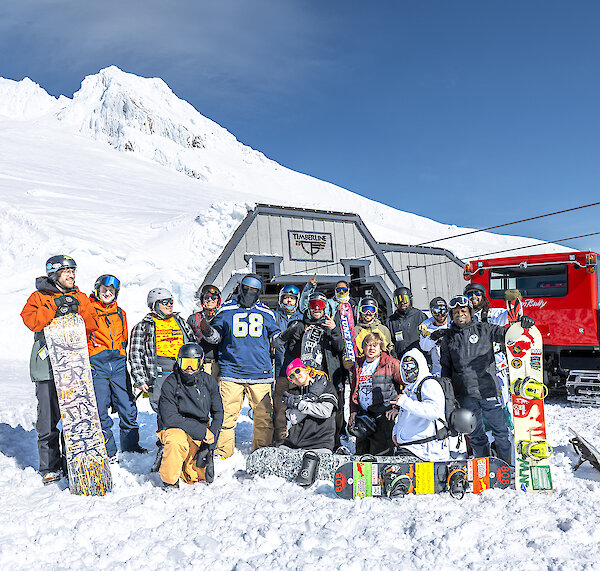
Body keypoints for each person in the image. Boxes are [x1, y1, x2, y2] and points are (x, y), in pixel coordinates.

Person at [20, 255, 99, 485]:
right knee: (48, 417)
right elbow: (32, 322)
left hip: (74, 367)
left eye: (73, 271)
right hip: (46, 367)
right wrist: (53, 307)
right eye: (67, 272)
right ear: (54, 274)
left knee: (76, 416)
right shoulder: (38, 297)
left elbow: (92, 324)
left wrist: (77, 310)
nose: (72, 275)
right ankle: (50, 466)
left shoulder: (81, 297)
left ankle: (74, 461)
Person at [439, 295, 535, 464]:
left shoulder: (485, 329)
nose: (459, 314)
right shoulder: (448, 338)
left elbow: (508, 335)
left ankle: (506, 465)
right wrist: (448, 395)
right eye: (455, 312)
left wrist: (522, 324)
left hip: (488, 389)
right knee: (475, 434)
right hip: (465, 393)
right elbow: (445, 367)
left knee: (501, 431)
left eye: (463, 310)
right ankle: (482, 468)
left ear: (469, 312)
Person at [201, 274, 281, 459]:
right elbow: (215, 338)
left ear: (259, 292)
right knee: (226, 417)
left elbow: (275, 337)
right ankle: (223, 454)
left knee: (263, 418)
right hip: (231, 373)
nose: (248, 292)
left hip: (260, 373)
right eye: (245, 288)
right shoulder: (226, 310)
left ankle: (262, 453)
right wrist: (205, 329)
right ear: (239, 288)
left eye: (253, 290)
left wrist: (282, 338)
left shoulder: (267, 312)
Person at [276, 291, 347, 449]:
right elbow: (293, 351)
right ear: (308, 307)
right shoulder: (302, 325)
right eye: (313, 305)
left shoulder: (330, 324)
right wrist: (299, 336)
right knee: (307, 407)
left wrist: (334, 330)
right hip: (307, 376)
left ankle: (334, 442)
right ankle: (306, 441)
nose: (316, 309)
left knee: (332, 408)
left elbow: (340, 347)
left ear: (325, 308)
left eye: (320, 305)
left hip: (327, 374)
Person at [88, 274, 146, 460]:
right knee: (100, 409)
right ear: (97, 290)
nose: (108, 293)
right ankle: (108, 451)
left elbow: (124, 339)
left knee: (128, 407)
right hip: (98, 365)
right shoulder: (87, 310)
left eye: (111, 291)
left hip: (119, 365)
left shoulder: (120, 313)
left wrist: (121, 356)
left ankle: (131, 446)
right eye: (104, 290)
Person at [158, 343, 224, 489]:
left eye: (193, 364)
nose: (189, 368)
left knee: (195, 477)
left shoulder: (208, 381)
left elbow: (218, 412)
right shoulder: (171, 383)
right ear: (178, 361)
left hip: (199, 429)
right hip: (175, 427)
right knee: (176, 442)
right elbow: (170, 418)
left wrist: (211, 442)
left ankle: (179, 462)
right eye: (185, 363)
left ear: (200, 363)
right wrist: (202, 431)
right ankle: (169, 481)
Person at [129, 287, 195, 415]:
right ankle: (166, 434)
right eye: (164, 302)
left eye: (170, 301)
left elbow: (192, 343)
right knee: (164, 409)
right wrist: (140, 379)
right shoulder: (143, 326)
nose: (169, 305)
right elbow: (135, 355)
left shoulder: (179, 321)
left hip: (183, 369)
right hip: (160, 372)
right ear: (154, 305)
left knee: (187, 407)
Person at [349, 333, 404, 456]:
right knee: (361, 454)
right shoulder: (358, 365)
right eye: (368, 345)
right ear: (363, 348)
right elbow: (353, 390)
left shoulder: (390, 363)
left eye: (375, 345)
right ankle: (362, 476)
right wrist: (353, 411)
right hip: (363, 416)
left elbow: (407, 385)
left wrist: (397, 408)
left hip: (383, 415)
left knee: (381, 455)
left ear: (381, 348)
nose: (371, 348)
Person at [391, 348, 451, 462]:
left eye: (411, 365)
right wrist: (396, 432)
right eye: (404, 367)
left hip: (425, 450)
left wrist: (405, 402)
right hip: (410, 447)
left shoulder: (429, 384)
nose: (408, 370)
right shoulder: (410, 387)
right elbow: (407, 415)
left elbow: (434, 411)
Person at [280, 358, 338, 452]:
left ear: (306, 370)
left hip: (320, 444)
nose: (296, 376)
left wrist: (300, 404)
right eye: (292, 376)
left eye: (298, 370)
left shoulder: (325, 385)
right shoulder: (292, 393)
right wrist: (309, 399)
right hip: (293, 444)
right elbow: (294, 419)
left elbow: (325, 412)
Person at [272, 285, 304, 445]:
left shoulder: (302, 317)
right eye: (286, 298)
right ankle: (280, 439)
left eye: (292, 298)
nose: (289, 301)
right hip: (280, 371)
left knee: (299, 408)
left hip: (299, 372)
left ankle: (297, 439)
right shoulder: (274, 317)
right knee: (280, 409)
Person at [187, 284, 222, 378]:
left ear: (218, 300)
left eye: (213, 298)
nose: (210, 300)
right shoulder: (194, 319)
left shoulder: (223, 317)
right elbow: (187, 341)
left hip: (220, 365)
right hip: (201, 363)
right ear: (202, 300)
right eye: (207, 297)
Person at [387, 286, 427, 359]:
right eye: (398, 300)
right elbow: (389, 342)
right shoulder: (391, 320)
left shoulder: (419, 316)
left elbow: (428, 337)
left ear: (410, 299)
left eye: (405, 299)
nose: (402, 302)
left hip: (419, 357)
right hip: (400, 359)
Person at [418, 297, 449, 376]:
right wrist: (433, 337)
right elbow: (424, 347)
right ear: (431, 312)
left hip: (453, 369)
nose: (440, 314)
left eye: (443, 310)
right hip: (438, 371)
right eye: (436, 311)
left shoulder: (451, 323)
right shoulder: (428, 329)